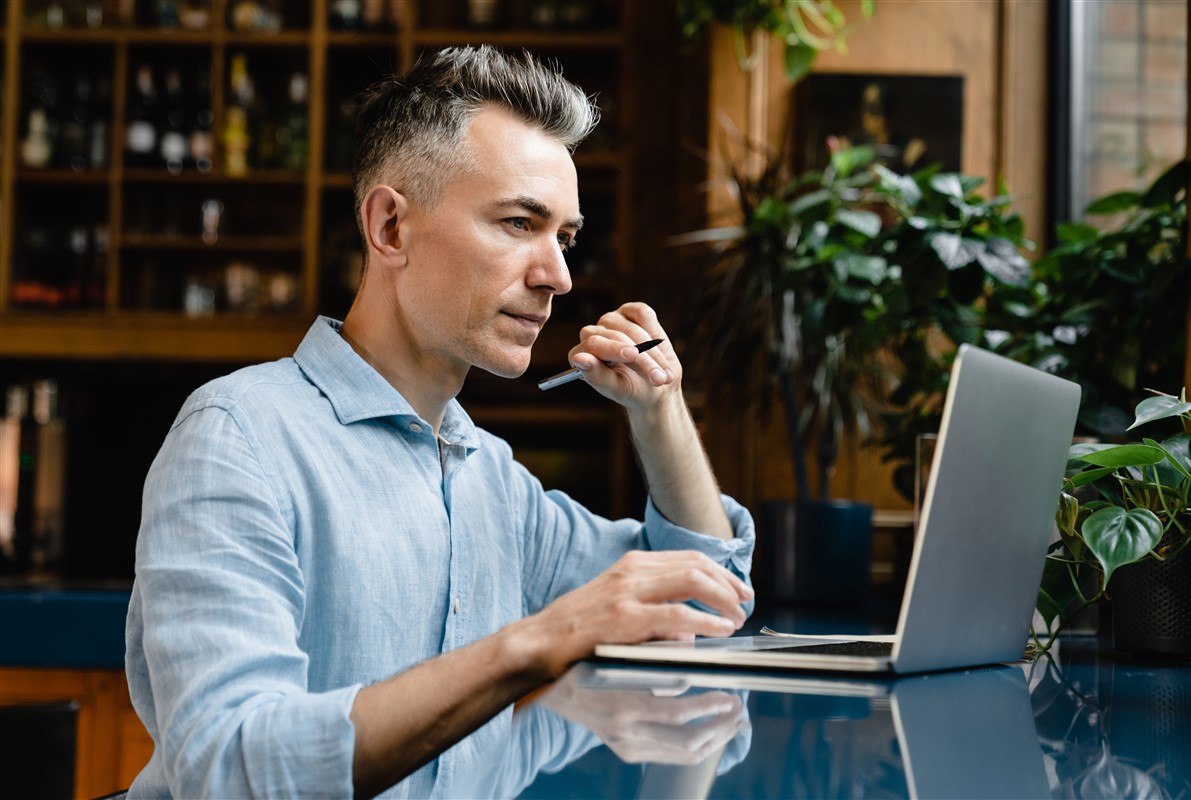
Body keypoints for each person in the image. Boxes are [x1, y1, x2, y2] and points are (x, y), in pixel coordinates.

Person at [124, 45, 755, 799]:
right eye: (520, 223)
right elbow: (229, 765)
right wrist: (537, 642)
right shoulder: (239, 439)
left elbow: (702, 605)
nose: (558, 274)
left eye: (565, 236)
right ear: (391, 227)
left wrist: (661, 413)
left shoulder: (489, 476)